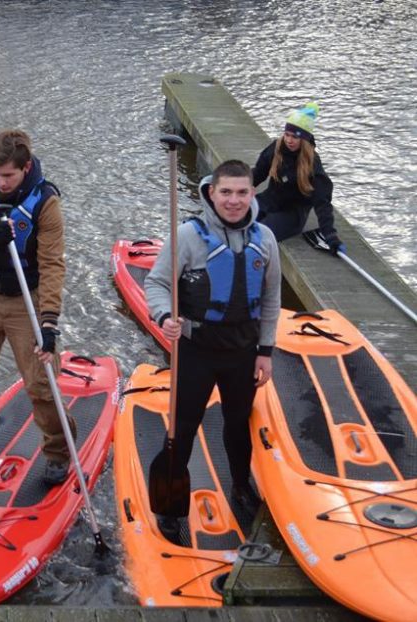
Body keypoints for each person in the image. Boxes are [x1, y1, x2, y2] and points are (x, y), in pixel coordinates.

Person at [145, 159, 281, 544]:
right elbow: (156, 283)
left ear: (252, 194)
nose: (234, 201)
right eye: (226, 192)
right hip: (197, 350)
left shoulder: (266, 239)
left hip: (243, 352)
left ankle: (240, 486)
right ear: (211, 192)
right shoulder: (187, 235)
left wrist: (265, 351)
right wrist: (164, 315)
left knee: (238, 427)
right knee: (183, 428)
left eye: (242, 192)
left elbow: (271, 299)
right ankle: (171, 506)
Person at [0, 129, 75, 486]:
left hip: (28, 301)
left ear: (26, 167)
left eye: (8, 175)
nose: (1, 182)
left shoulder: (46, 201)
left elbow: (52, 264)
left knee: (40, 384)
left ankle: (56, 451)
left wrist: (49, 322)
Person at [253, 102, 344, 253]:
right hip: (268, 201)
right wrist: (233, 189)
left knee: (259, 235)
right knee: (235, 220)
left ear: (304, 139)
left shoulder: (312, 164)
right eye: (287, 135)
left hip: (292, 213)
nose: (289, 140)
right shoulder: (276, 148)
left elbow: (322, 202)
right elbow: (257, 175)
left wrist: (330, 234)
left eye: (295, 137)